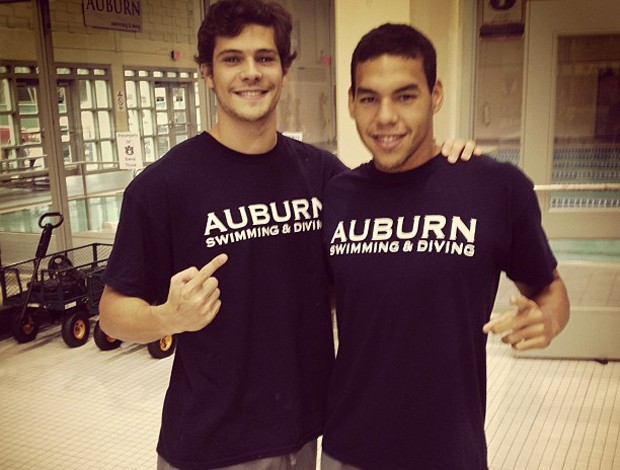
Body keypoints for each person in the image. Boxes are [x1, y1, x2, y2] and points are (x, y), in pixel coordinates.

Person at [99, 1, 476, 468]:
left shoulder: (325, 177)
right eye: (232, 58)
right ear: (207, 74)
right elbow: (111, 314)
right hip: (211, 445)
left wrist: (448, 161)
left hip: (305, 436)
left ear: (284, 70)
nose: (250, 72)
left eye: (265, 58)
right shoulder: (163, 187)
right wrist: (167, 317)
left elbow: (396, 218)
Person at [320, 23, 570, 470]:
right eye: (369, 98)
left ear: (435, 95)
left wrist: (547, 320)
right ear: (351, 102)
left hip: (449, 453)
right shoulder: (337, 196)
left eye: (406, 96)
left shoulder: (495, 187)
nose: (385, 117)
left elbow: (550, 289)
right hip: (349, 450)